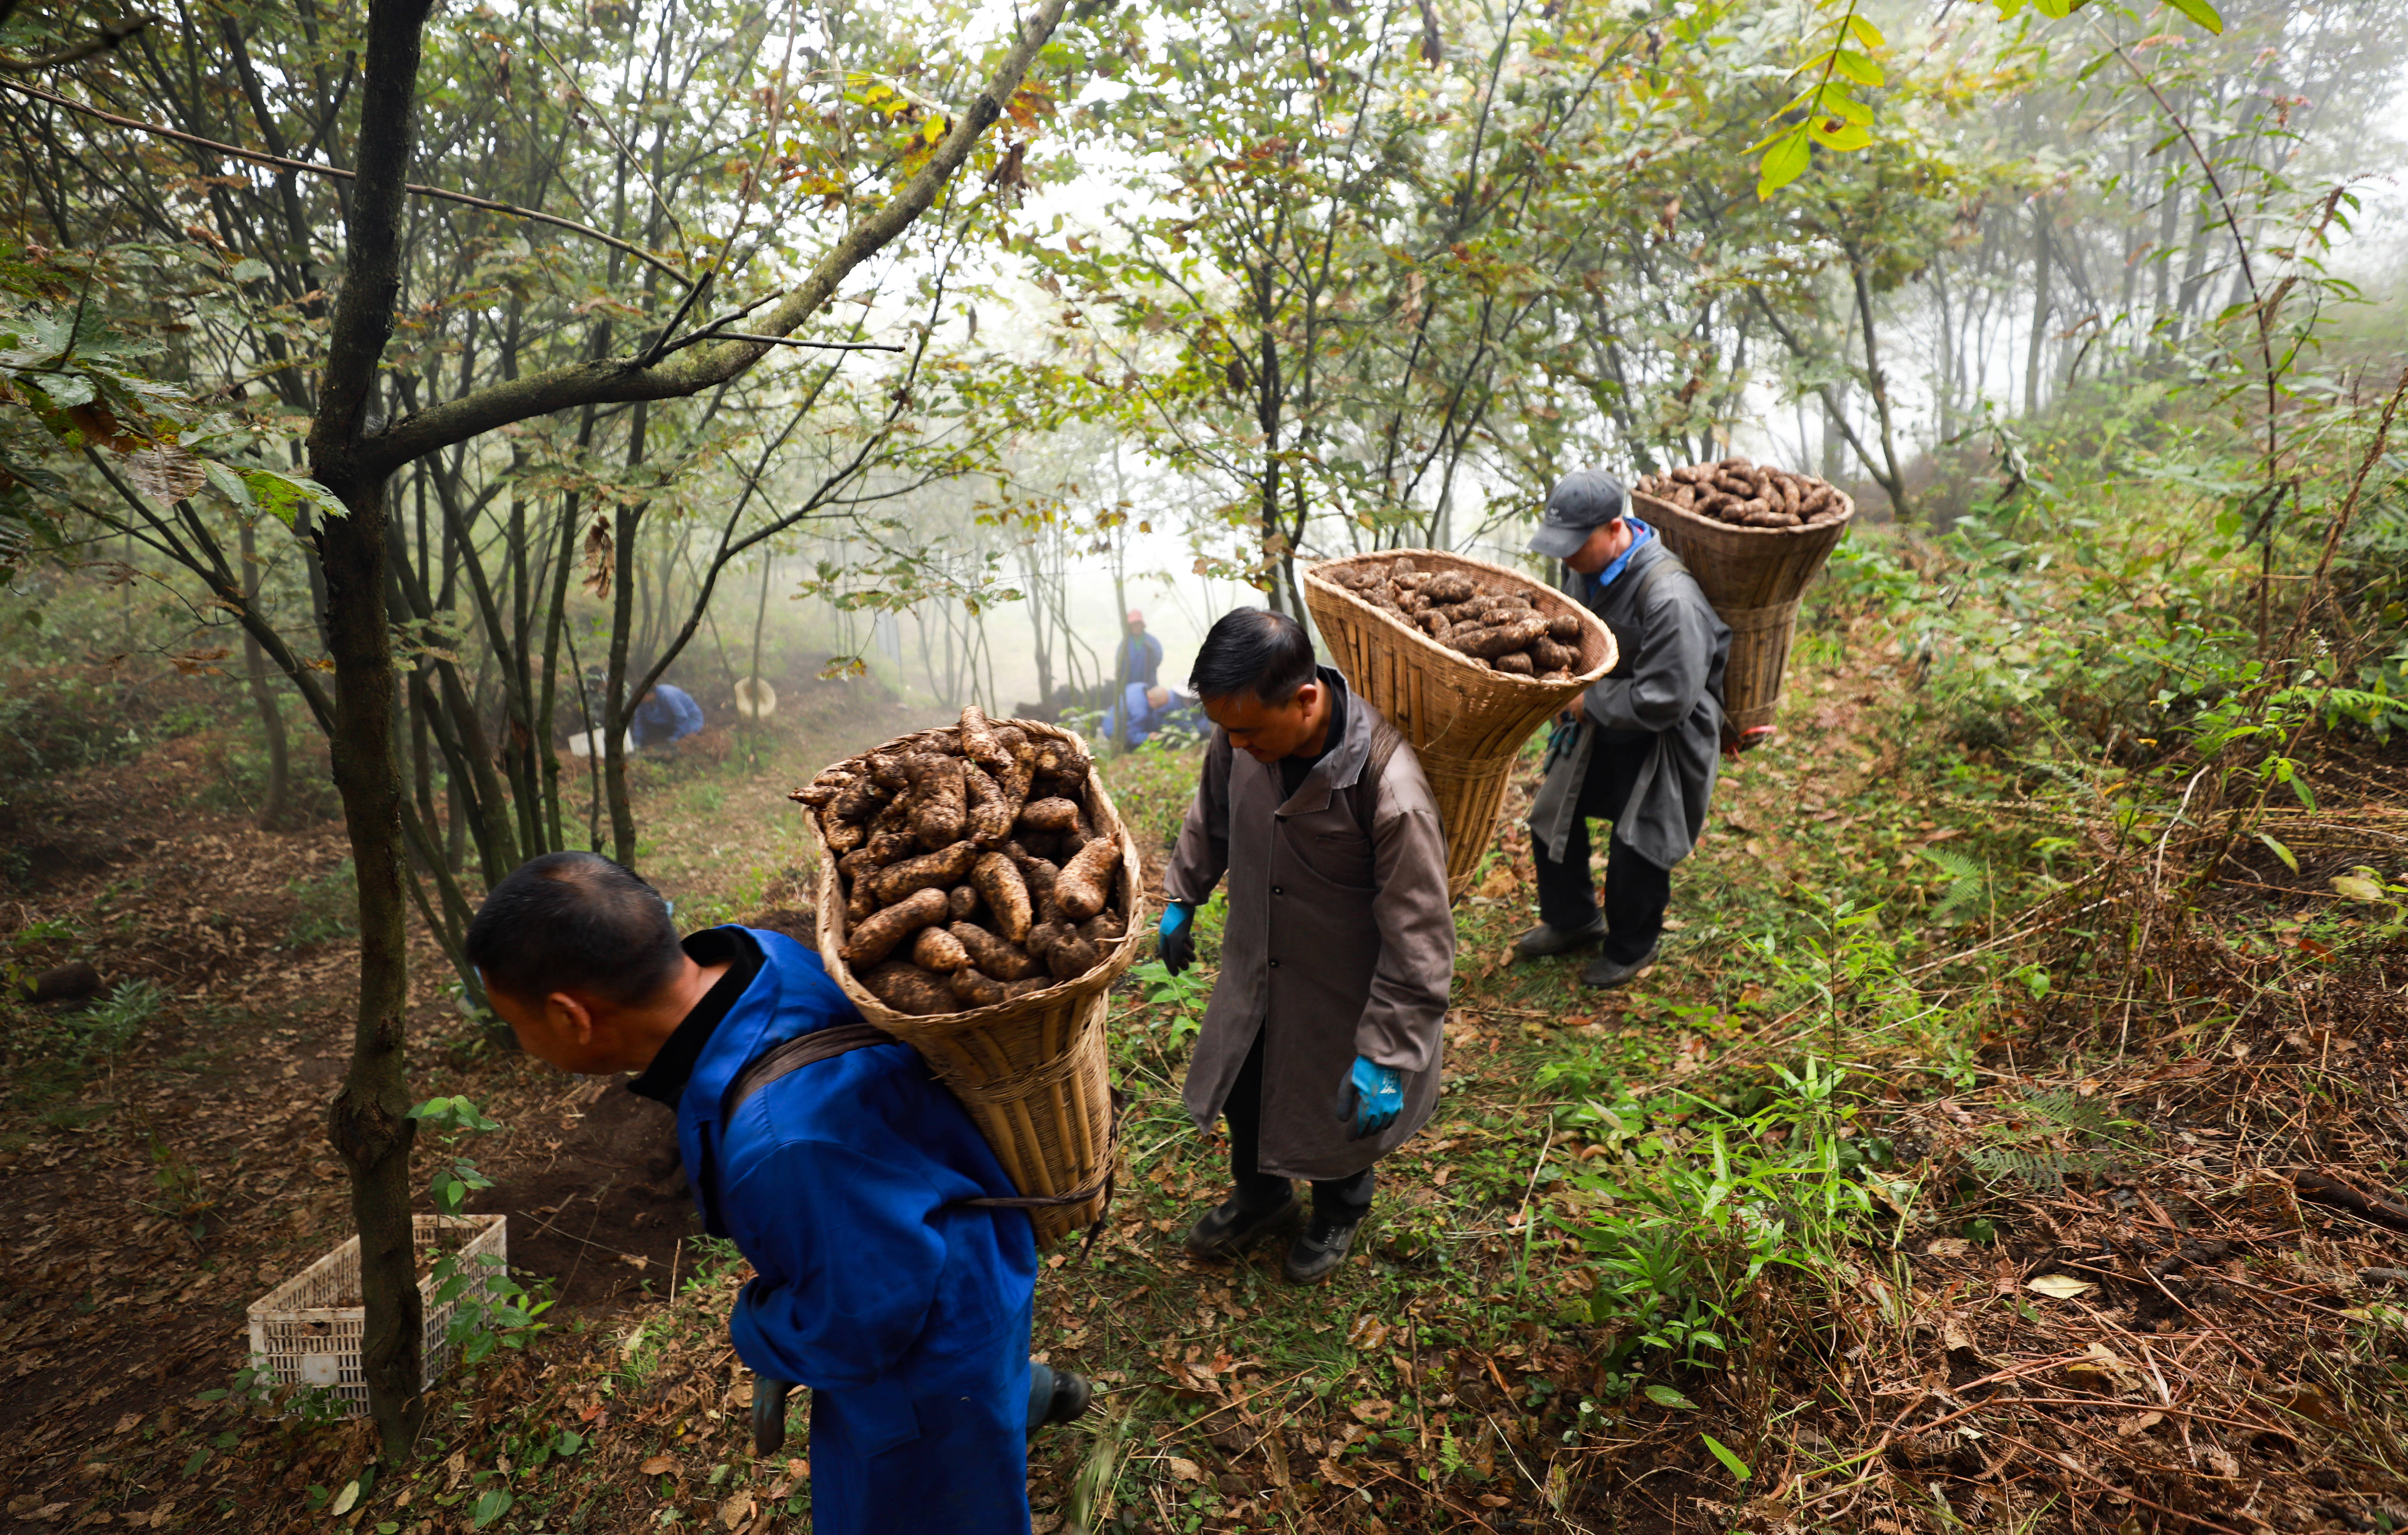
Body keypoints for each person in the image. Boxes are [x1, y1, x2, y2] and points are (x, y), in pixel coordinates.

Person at [465, 852, 1087, 1535]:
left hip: (929, 1343)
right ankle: (1010, 1398)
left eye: (516, 1025)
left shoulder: (782, 1144)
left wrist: (759, 1330)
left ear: (570, 1015)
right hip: (941, 1232)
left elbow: (861, 1321)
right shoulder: (760, 956)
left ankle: (990, 1409)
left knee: (924, 1504)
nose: (523, 1045)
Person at [1156, 609, 1453, 1284]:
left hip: (1341, 986)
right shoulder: (1242, 736)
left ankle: (1338, 1210)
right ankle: (1262, 1197)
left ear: (1306, 699)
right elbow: (1212, 812)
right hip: (1256, 962)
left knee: (1334, 1108)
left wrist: (1387, 1051)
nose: (1234, 743)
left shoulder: (1389, 788)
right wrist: (1183, 893)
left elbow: (1419, 937)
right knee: (1246, 1083)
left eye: (1247, 730)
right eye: (1225, 730)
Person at [1515, 469, 1731, 989]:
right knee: (1552, 816)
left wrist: (1589, 702)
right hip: (1601, 720)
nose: (1566, 557)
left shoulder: (1669, 597)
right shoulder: (1583, 572)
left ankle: (1632, 945)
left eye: (1576, 544)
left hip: (1665, 730)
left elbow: (1669, 698)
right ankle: (1573, 920)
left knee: (1639, 845)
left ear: (1616, 528)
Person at [632, 682, 705, 750]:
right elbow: (640, 721)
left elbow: (682, 717)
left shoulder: (667, 695)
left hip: (690, 719)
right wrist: (638, 741)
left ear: (646, 695)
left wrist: (677, 738)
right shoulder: (643, 702)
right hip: (670, 721)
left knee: (686, 742)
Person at [1116, 609, 1163, 691]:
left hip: (1149, 685)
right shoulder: (1125, 643)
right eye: (1134, 624)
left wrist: (1152, 653)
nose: (1136, 627)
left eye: (1138, 624)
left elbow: (1158, 661)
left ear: (1142, 625)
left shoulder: (1152, 641)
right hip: (1128, 685)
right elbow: (1119, 664)